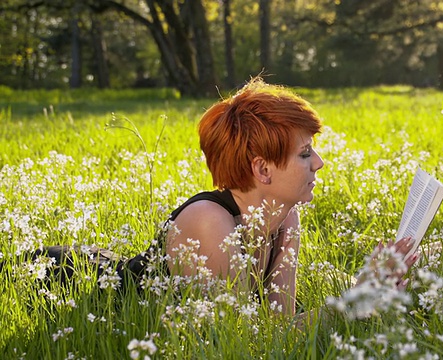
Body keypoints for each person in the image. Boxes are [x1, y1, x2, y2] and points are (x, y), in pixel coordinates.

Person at [4, 78, 420, 317]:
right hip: (60, 281)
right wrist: (357, 298)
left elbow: (279, 325)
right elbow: (248, 340)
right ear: (262, 169)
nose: (320, 163)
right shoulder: (209, 222)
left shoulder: (285, 216)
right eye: (305, 153)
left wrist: (370, 292)